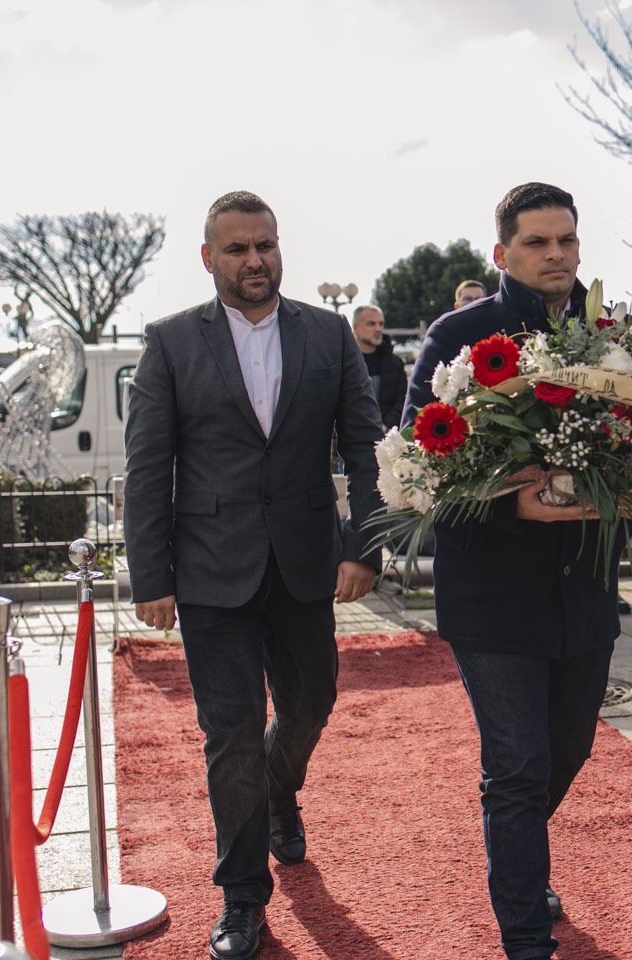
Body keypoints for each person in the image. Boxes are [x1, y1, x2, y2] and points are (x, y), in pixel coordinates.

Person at [123, 191, 384, 960]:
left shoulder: (328, 334)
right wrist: (151, 576)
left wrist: (364, 546)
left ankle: (280, 790)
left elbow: (365, 447)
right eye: (237, 249)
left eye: (265, 245)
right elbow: (148, 468)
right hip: (211, 571)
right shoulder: (171, 342)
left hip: (306, 563)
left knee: (311, 703)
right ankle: (242, 896)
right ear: (209, 258)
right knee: (229, 734)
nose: (254, 260)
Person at [403, 182, 621, 960]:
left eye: (567, 240)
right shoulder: (459, 336)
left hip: (584, 590)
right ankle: (526, 932)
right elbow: (416, 461)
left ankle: (514, 851)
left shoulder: (611, 338)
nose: (556, 254)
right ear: (502, 253)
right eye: (538, 242)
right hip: (492, 596)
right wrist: (514, 505)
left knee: (569, 751)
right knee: (519, 768)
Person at [350, 304, 408, 429]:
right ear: (355, 327)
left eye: (381, 324)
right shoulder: (344, 363)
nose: (378, 329)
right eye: (371, 324)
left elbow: (403, 400)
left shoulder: (395, 364)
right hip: (351, 434)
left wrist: (384, 426)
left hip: (387, 434)